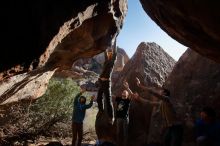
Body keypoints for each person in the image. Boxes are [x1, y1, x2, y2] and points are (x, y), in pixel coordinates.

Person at [130, 77, 183, 146]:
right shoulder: (161, 103)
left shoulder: (167, 100)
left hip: (176, 126)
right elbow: (149, 103)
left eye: (161, 92)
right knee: (166, 141)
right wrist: (139, 98)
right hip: (170, 127)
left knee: (174, 143)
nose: (160, 93)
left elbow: (154, 93)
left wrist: (140, 86)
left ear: (165, 94)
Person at [96, 45, 117, 123]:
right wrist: (105, 47)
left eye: (110, 53)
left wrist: (115, 40)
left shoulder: (112, 62)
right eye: (108, 53)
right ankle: (101, 111)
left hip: (107, 82)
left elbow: (115, 52)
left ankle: (111, 117)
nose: (109, 54)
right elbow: (105, 52)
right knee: (98, 99)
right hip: (101, 82)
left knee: (108, 100)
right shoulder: (106, 61)